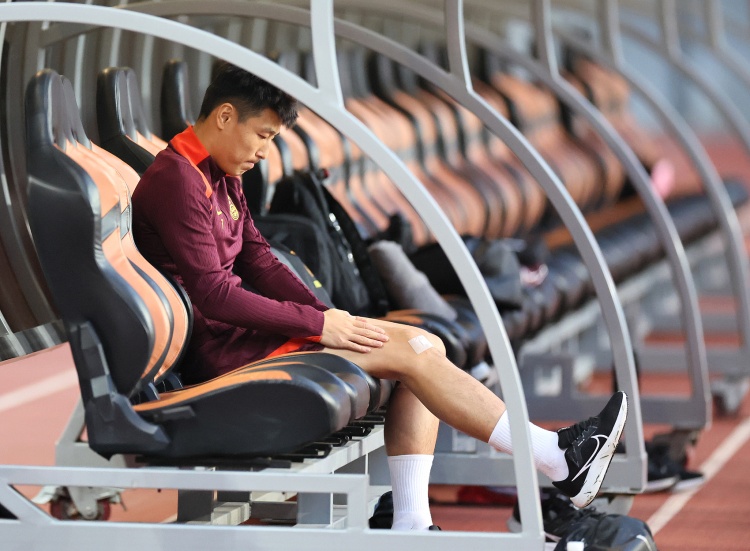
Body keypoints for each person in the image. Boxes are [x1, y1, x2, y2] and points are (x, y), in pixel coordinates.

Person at [132, 62, 628, 530]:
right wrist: (319, 325)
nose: (265, 151)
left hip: (245, 332)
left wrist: (329, 315)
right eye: (263, 135)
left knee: (425, 346)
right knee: (413, 353)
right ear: (224, 117)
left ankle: (414, 522)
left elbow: (258, 257)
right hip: (220, 352)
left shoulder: (220, 171)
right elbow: (215, 294)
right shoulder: (178, 179)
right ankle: (556, 458)